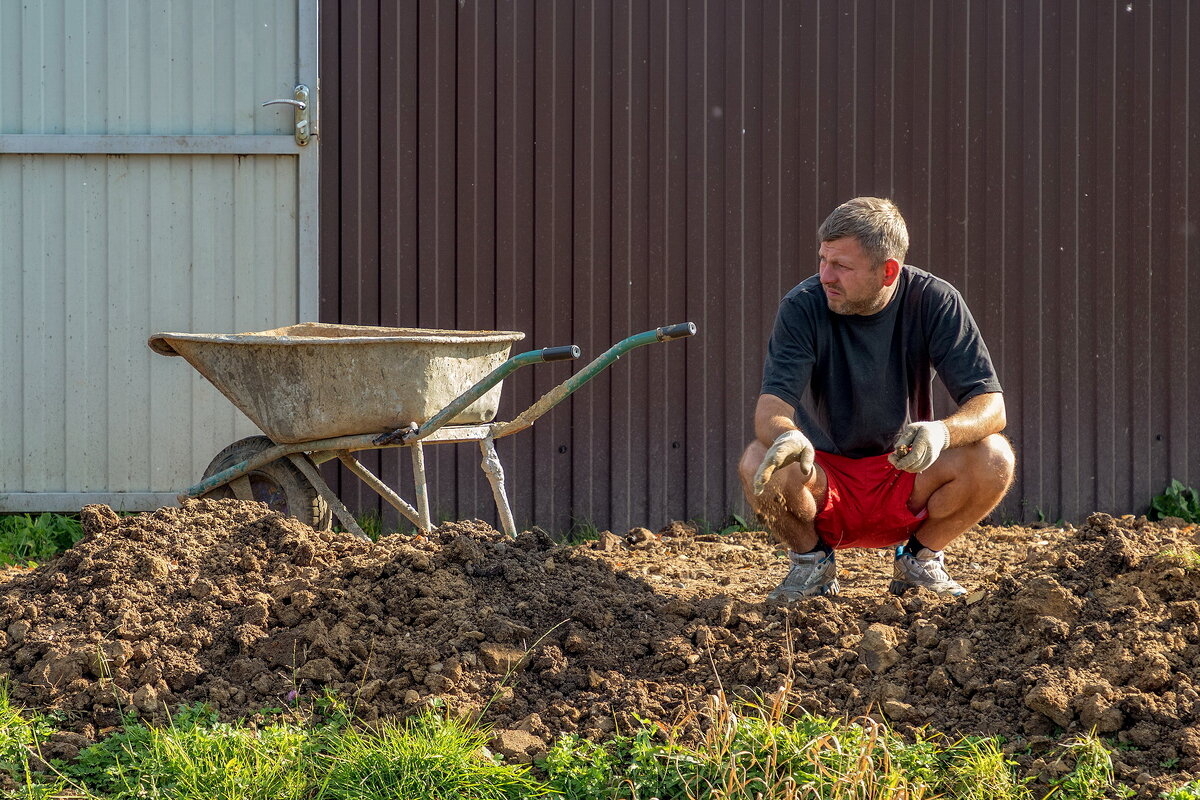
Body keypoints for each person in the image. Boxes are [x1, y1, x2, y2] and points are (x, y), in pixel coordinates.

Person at [738, 197, 1014, 601]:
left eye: (841, 266)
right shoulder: (802, 306)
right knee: (756, 460)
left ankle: (920, 560)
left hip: (905, 469)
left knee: (995, 456)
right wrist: (787, 435)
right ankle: (811, 564)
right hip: (822, 477)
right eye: (823, 260)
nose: (825, 276)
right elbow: (771, 407)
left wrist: (942, 432)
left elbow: (991, 405)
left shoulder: (935, 301)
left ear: (888, 271)